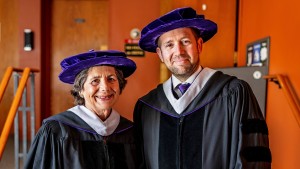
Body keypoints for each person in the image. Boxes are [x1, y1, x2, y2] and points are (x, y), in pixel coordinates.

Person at [134, 7, 272, 169]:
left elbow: (254, 159)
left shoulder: (234, 93)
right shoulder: (148, 107)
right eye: (169, 45)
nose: (178, 51)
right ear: (160, 54)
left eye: (185, 41)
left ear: (199, 45)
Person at [24, 50, 140, 169]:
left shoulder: (130, 131)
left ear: (119, 86)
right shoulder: (56, 131)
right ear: (80, 89)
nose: (105, 87)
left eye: (111, 79)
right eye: (95, 81)